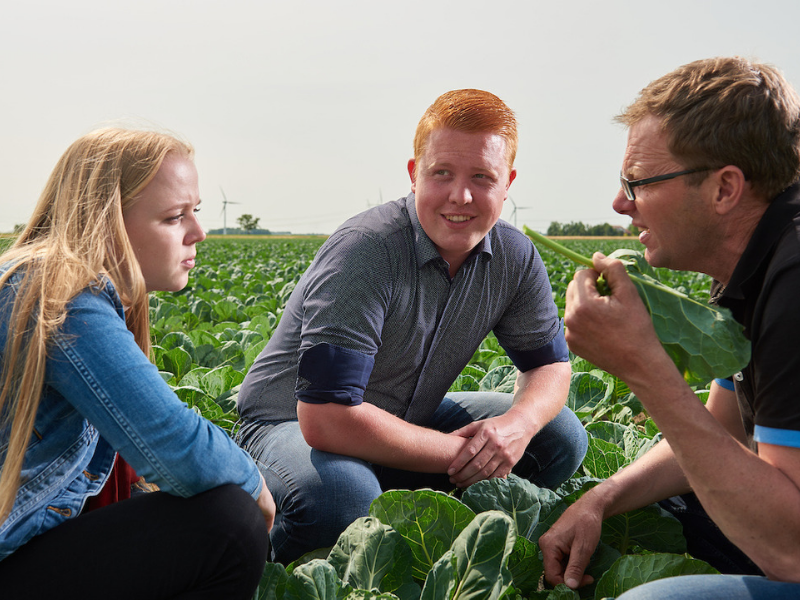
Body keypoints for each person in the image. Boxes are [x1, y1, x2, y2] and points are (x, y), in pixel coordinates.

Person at [236, 88, 588, 564]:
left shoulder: (515, 256)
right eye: (442, 173)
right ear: (413, 173)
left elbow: (550, 367)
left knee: (559, 436)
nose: (460, 196)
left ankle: (431, 546)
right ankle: (256, 565)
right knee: (343, 501)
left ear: (509, 183)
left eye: (482, 177)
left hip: (405, 418)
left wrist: (517, 427)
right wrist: (459, 455)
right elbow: (326, 417)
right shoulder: (367, 250)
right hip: (286, 423)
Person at [539, 57, 800, 599]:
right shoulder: (749, 262)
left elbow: (792, 551)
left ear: (724, 189)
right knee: (659, 505)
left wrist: (641, 366)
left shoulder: (794, 284)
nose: (619, 203)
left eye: (638, 182)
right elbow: (723, 427)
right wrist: (600, 499)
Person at [0, 128, 275, 599]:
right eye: (174, 217)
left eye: (197, 211)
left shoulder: (53, 282)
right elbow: (174, 442)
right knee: (231, 523)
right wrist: (256, 486)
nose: (199, 233)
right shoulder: (61, 296)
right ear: (107, 224)